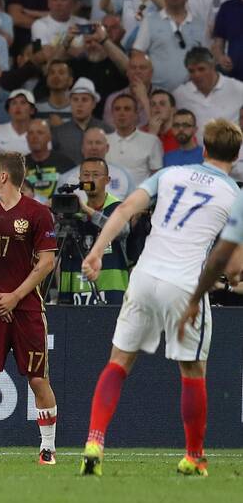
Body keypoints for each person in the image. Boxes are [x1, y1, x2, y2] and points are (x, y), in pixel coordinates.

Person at [85, 119, 243, 478]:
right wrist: (232, 278)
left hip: (143, 276)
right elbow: (233, 261)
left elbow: (124, 210)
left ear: (203, 148)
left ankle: (94, 440)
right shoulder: (235, 194)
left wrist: (96, 251)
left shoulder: (169, 174)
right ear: (235, 156)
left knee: (119, 361)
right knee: (192, 370)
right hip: (185, 284)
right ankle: (194, 456)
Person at [0, 152, 59, 465]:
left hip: (27, 307)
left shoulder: (38, 213)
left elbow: (47, 262)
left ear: (4, 176)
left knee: (37, 378)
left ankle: (47, 448)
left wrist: (14, 296)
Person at [54, 158, 127, 305]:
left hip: (112, 291)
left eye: (96, 175)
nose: (90, 179)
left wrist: (88, 211)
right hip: (76, 293)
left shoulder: (118, 208)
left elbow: (120, 231)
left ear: (107, 180)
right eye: (86, 175)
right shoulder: (75, 214)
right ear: (80, 179)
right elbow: (55, 247)